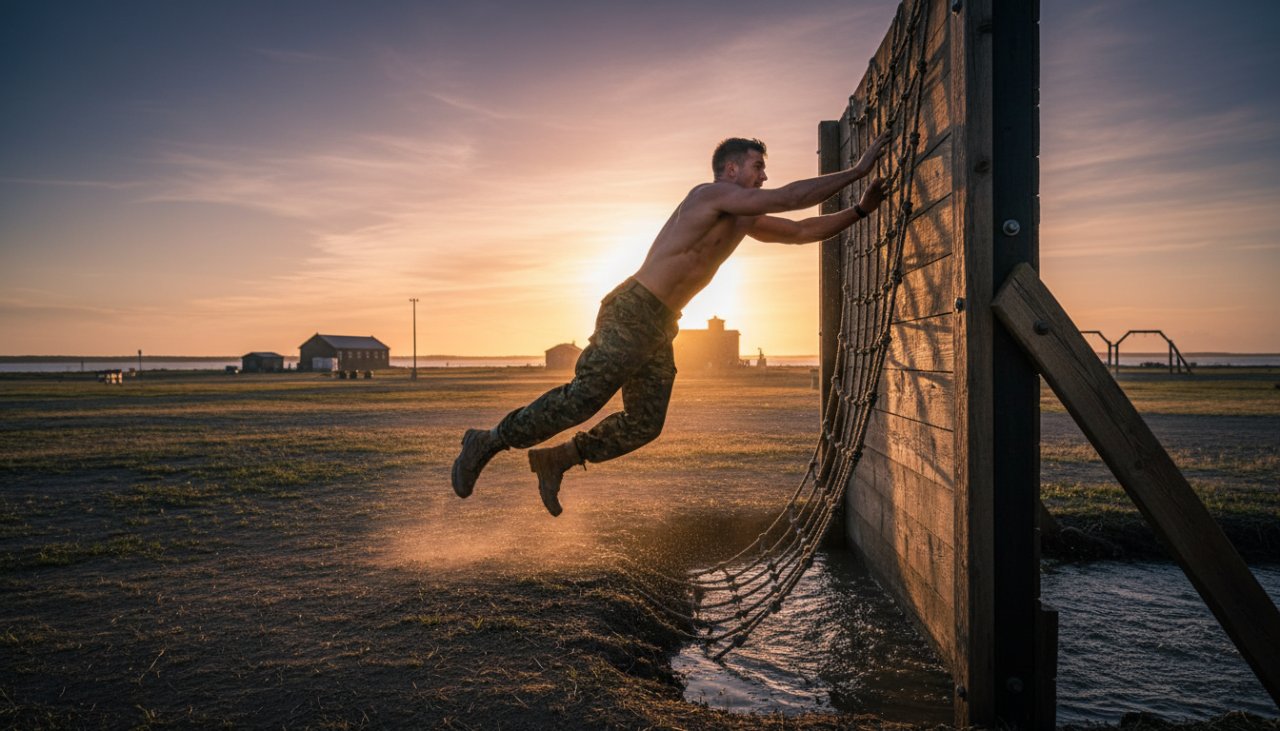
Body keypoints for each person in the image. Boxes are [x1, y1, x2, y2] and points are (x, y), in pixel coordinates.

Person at [452, 132, 891, 516]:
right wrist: (858, 169)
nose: (763, 177)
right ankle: (487, 440)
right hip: (633, 309)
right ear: (731, 169)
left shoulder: (743, 219)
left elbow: (798, 231)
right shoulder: (708, 195)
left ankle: (559, 459)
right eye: (758, 168)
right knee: (583, 399)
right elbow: (792, 198)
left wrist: (859, 211)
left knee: (645, 423)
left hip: (660, 323)